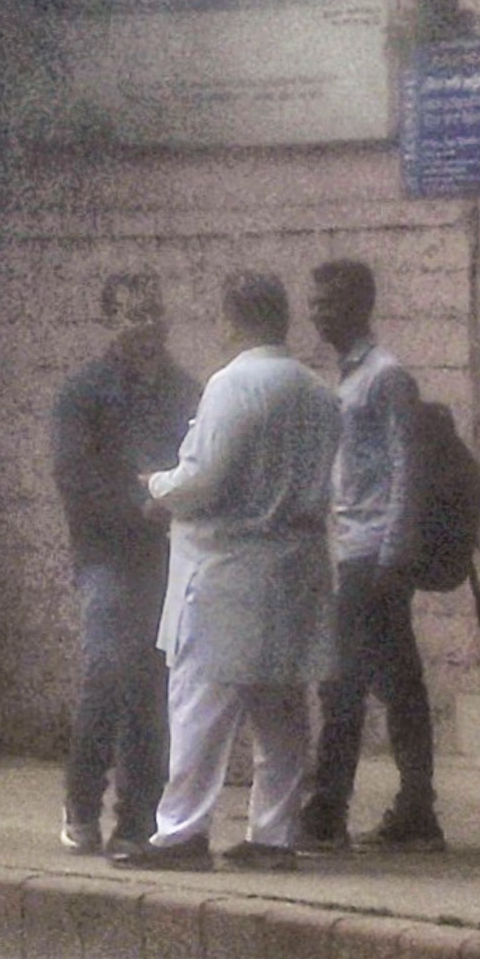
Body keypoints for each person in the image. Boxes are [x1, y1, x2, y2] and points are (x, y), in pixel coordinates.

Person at [120, 270, 343, 873]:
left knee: (200, 704)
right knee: (281, 708)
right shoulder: (318, 391)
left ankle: (182, 831)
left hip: (225, 568)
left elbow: (204, 476)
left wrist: (157, 485)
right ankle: (273, 834)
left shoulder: (231, 384)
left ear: (232, 319)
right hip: (294, 565)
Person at [50, 273, 196, 855]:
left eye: (154, 312)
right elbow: (74, 476)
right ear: (109, 322)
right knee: (107, 671)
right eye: (133, 314)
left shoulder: (185, 391)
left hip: (167, 552)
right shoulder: (84, 392)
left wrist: (168, 500)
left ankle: (137, 816)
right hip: (108, 552)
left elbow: (197, 460)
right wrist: (140, 504)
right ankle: (82, 802)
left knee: (154, 682)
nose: (147, 326)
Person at [303, 257, 446, 853]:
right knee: (397, 680)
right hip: (353, 551)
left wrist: (394, 556)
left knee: (344, 682)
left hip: (372, 554)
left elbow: (407, 467)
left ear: (361, 306)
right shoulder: (347, 377)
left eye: (330, 302)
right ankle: (416, 811)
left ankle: (327, 813)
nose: (318, 313)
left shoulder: (385, 377)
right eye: (314, 302)